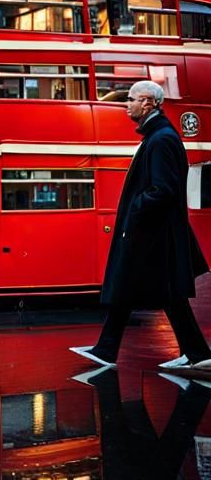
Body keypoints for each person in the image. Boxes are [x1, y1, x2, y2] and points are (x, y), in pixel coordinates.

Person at [71, 80, 211, 369]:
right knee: (163, 293)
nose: (127, 104)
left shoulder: (160, 139)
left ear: (148, 103)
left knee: (132, 288)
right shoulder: (156, 136)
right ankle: (195, 354)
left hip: (152, 234)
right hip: (154, 232)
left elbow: (164, 189)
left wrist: (135, 209)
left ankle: (108, 350)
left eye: (131, 99)